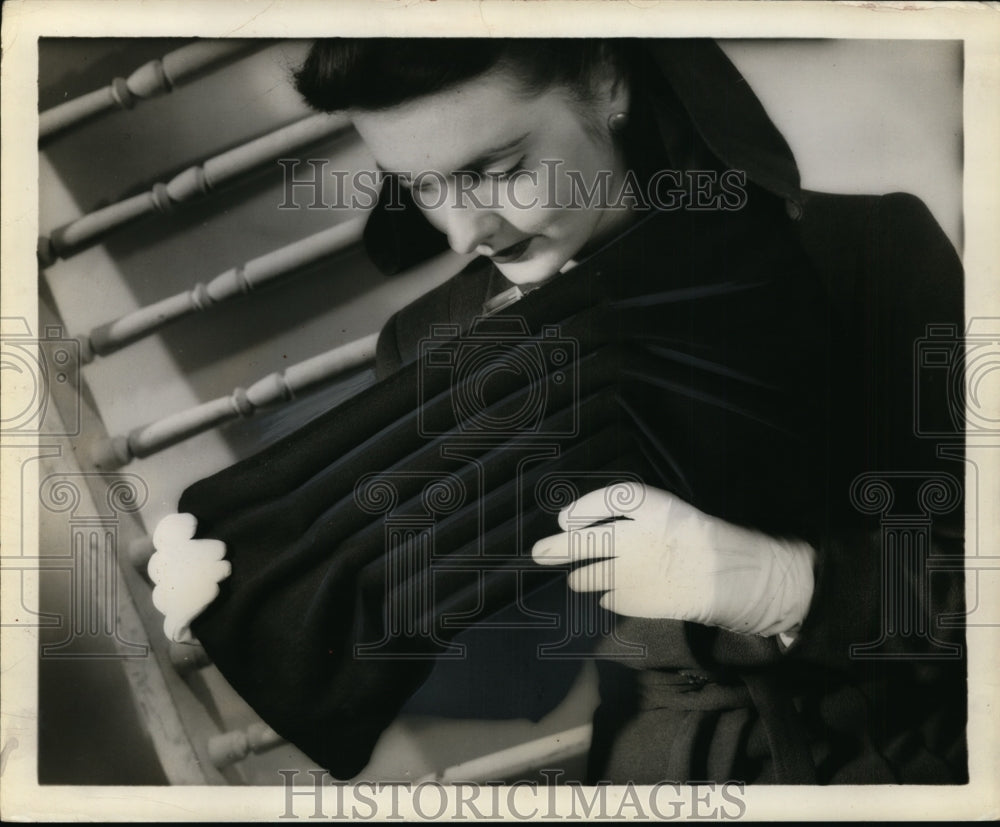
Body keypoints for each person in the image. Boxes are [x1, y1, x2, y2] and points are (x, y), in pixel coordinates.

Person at [150, 38, 967, 784]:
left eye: (497, 167)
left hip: (908, 764)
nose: (464, 230)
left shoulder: (859, 250)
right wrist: (264, 604)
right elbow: (517, 669)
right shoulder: (433, 341)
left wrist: (781, 584)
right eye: (422, 187)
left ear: (608, 82)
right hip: (651, 783)